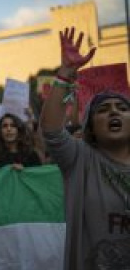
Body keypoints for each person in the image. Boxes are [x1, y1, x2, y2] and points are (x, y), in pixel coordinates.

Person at [41, 27, 130, 270]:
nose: (114, 111)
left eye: (122, 108)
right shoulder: (81, 159)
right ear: (90, 126)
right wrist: (65, 74)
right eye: (103, 110)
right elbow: (51, 132)